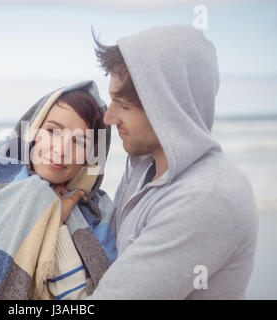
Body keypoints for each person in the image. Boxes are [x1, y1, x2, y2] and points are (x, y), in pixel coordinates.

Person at [55, 25, 259, 299]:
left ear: (167, 107)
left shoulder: (207, 197)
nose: (109, 118)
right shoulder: (145, 167)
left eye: (123, 105)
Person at [0, 81, 117, 300]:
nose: (61, 150)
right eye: (53, 131)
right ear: (34, 130)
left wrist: (59, 225)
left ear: (91, 156)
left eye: (80, 142)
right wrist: (49, 212)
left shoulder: (101, 214)